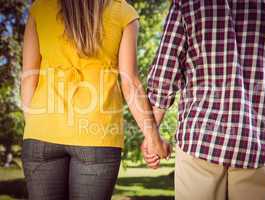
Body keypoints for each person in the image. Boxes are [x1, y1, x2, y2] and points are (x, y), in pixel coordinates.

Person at [143, 0, 265, 199]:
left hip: (199, 143)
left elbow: (165, 75)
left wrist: (151, 134)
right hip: (254, 146)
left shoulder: (189, 4)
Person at [21, 0, 171, 199]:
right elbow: (130, 83)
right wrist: (153, 139)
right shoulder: (123, 12)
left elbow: (29, 77)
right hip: (98, 135)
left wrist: (34, 127)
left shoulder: (40, 8)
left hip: (41, 133)